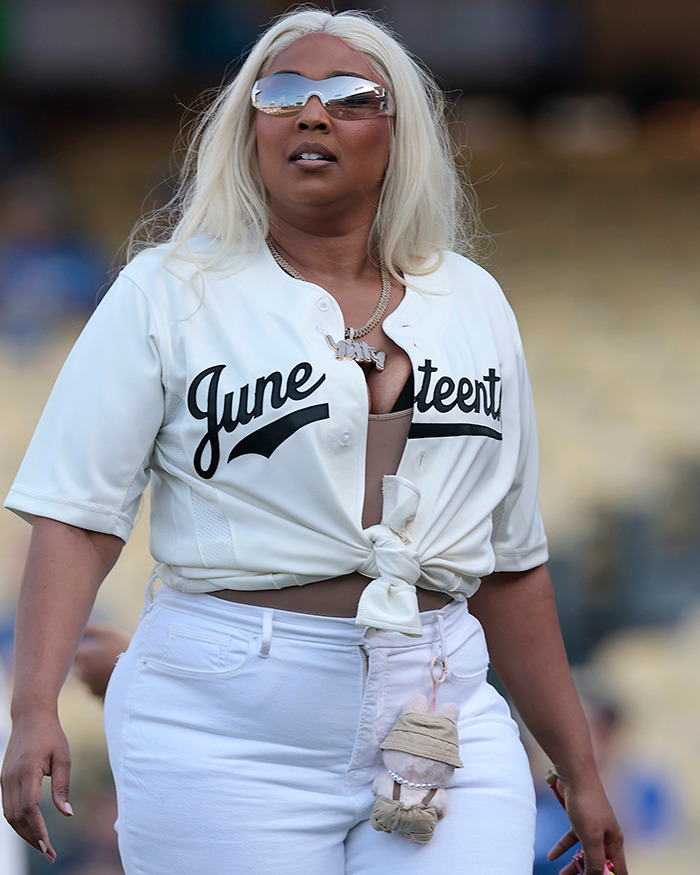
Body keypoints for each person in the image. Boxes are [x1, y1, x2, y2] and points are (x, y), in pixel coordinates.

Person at [1, 8, 626, 874]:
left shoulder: (475, 300)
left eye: (348, 96)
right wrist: (33, 706)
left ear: (400, 130)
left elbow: (510, 566)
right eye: (282, 92)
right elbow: (78, 516)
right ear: (249, 126)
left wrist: (578, 765)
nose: (311, 113)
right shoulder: (165, 290)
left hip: (439, 707)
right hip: (224, 722)